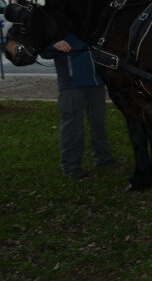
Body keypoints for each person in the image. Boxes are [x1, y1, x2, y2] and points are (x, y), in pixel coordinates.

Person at [40, 33, 117, 179]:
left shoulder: (91, 23)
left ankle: (103, 159)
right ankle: (71, 166)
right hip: (71, 84)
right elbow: (43, 51)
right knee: (73, 126)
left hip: (97, 82)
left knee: (99, 123)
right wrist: (53, 45)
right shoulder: (59, 25)